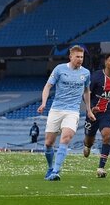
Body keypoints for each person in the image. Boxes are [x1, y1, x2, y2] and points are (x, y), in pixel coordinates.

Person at [38, 45, 95, 181]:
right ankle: (50, 167)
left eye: (82, 57)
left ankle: (56, 171)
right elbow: (48, 86)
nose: (80, 59)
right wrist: (44, 103)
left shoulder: (86, 73)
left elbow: (87, 91)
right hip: (56, 109)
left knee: (66, 138)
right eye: (77, 57)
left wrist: (89, 109)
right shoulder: (59, 69)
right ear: (71, 57)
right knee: (48, 143)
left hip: (72, 111)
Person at [82, 52, 110, 178]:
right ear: (106, 62)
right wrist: (90, 109)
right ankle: (87, 145)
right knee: (89, 140)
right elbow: (86, 95)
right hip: (93, 113)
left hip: (108, 113)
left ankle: (101, 168)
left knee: (107, 135)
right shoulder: (96, 77)